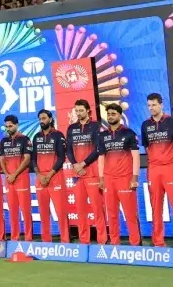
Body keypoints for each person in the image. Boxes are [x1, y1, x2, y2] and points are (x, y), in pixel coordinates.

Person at [141, 93, 173, 248]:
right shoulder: (145, 125)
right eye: (149, 105)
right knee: (156, 207)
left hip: (171, 167)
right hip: (154, 169)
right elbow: (147, 147)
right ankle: (158, 242)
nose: (151, 108)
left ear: (161, 104)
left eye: (154, 105)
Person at [66, 99, 107, 243]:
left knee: (97, 208)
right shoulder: (71, 128)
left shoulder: (96, 126)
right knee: (80, 209)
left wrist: (83, 163)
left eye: (81, 111)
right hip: (77, 174)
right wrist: (75, 165)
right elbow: (68, 150)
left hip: (92, 173)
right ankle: (84, 239)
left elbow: (98, 149)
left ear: (88, 110)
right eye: (76, 111)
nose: (78, 113)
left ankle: (102, 238)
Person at [101, 103, 142, 246]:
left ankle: (135, 243)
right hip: (108, 179)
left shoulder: (129, 133)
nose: (110, 116)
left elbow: (136, 156)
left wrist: (135, 177)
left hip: (125, 178)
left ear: (120, 116)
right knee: (111, 215)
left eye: (113, 114)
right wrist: (101, 178)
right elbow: (101, 157)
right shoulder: (103, 135)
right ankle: (114, 243)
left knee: (130, 214)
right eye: (109, 114)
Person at [32, 109, 66, 242]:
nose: (42, 121)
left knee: (61, 212)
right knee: (43, 213)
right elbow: (33, 158)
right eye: (40, 119)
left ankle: (65, 241)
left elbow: (61, 158)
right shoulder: (36, 137)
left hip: (55, 176)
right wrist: (39, 175)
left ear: (50, 119)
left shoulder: (58, 135)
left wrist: (49, 174)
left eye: (44, 118)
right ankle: (46, 241)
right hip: (41, 178)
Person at [0, 114, 33, 241]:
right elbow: (2, 159)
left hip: (21, 178)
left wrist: (14, 174)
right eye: (6, 126)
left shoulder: (24, 139)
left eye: (10, 126)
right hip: (9, 180)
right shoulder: (4, 141)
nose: (8, 128)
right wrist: (7, 174)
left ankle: (28, 237)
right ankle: (14, 238)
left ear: (16, 125)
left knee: (25, 210)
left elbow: (27, 159)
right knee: (13, 211)